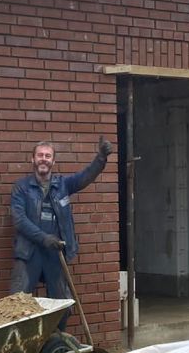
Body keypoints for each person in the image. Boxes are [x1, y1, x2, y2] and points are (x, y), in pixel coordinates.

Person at [9, 136, 112, 330]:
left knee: (61, 306)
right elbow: (19, 220)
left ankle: (55, 342)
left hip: (55, 255)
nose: (44, 159)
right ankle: (17, 347)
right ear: (32, 159)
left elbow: (85, 177)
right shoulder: (22, 188)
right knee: (15, 305)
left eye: (48, 156)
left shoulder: (62, 185)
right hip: (28, 254)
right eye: (40, 155)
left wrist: (101, 158)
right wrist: (44, 238)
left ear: (53, 161)